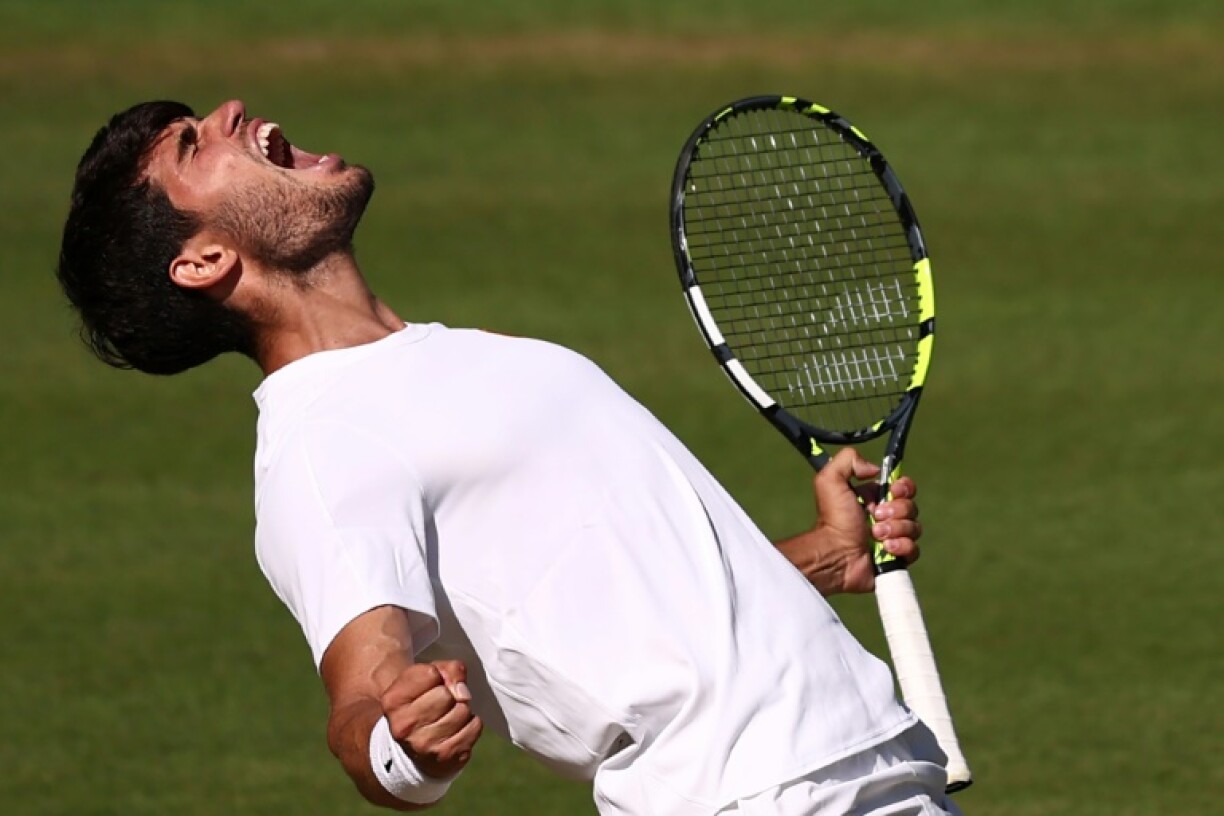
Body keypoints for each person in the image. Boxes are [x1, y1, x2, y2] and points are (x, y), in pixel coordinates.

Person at [57, 99, 960, 815]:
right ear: (204, 259)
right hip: (757, 796)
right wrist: (399, 749)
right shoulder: (321, 446)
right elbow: (363, 697)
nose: (231, 109)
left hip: (855, 770)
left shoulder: (455, 355)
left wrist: (820, 556)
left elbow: (621, 603)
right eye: (192, 143)